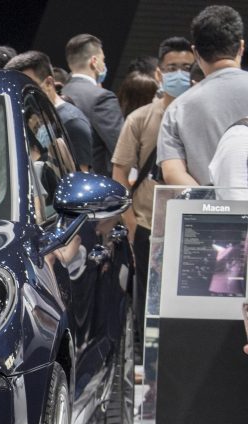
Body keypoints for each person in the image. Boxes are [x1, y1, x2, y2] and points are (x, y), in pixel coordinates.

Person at [112, 36, 195, 369]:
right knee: (149, 302)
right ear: (159, 74)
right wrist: (131, 226)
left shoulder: (197, 112)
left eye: (186, 68)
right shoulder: (140, 119)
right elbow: (119, 174)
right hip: (148, 226)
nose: (179, 74)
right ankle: (151, 366)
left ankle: (185, 364)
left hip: (193, 224)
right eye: (172, 68)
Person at [158, 5, 248, 187]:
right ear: (241, 46)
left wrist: (214, 205)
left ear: (196, 53)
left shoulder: (178, 108)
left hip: (209, 214)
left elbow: (173, 172)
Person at [5, 51, 93, 172]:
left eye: (29, 87)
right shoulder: (30, 115)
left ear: (49, 83)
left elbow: (81, 175)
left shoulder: (72, 122)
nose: (23, 94)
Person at [62, 33, 125, 176]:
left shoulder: (60, 93)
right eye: (103, 59)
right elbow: (121, 148)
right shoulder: (102, 97)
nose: (104, 64)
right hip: (96, 182)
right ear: (94, 61)